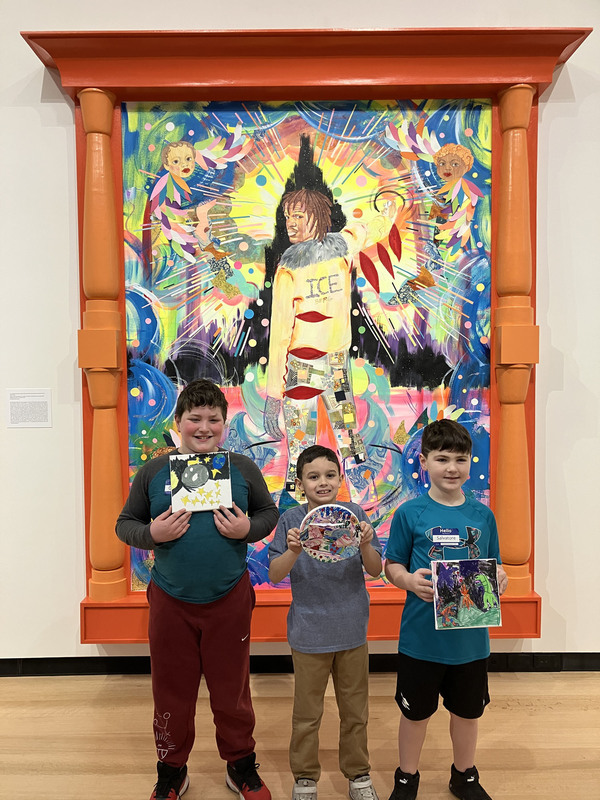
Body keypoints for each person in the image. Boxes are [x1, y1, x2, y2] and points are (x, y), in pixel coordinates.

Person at [116, 378, 279, 800]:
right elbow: (125, 524)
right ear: (178, 422)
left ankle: (240, 765)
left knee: (232, 689)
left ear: (225, 424)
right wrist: (151, 532)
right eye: (194, 419)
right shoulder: (154, 471)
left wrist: (248, 529)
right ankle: (171, 769)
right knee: (171, 689)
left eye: (213, 419)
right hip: (171, 600)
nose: (204, 427)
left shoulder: (241, 468)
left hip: (229, 597)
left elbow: (268, 512)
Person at [384, 419, 508, 800]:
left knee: (468, 713)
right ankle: (407, 777)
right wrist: (407, 581)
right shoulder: (410, 513)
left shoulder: (482, 516)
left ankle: (464, 775)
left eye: (461, 459)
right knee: (415, 714)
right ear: (424, 461)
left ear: (471, 463)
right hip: (421, 640)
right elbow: (392, 565)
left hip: (471, 642)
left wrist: (500, 578)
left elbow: (495, 565)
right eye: (442, 459)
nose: (452, 468)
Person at [263, 187, 396, 496]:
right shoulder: (296, 265)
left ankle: (351, 497)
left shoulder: (333, 250)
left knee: (341, 434)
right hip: (306, 364)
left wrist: (388, 214)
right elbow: (280, 333)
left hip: (324, 363)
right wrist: (273, 394)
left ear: (318, 217)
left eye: (298, 216)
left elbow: (367, 229)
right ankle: (340, 499)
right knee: (318, 439)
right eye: (287, 217)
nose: (290, 224)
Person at [268, 444, 383, 800]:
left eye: (330, 475)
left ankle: (358, 775)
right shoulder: (290, 520)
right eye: (313, 476)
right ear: (300, 483)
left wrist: (365, 543)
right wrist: (293, 550)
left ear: (340, 478)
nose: (322, 482)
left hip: (351, 629)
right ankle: (305, 777)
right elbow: (274, 575)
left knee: (355, 711)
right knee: (307, 713)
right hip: (308, 632)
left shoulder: (353, 514)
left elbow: (376, 570)